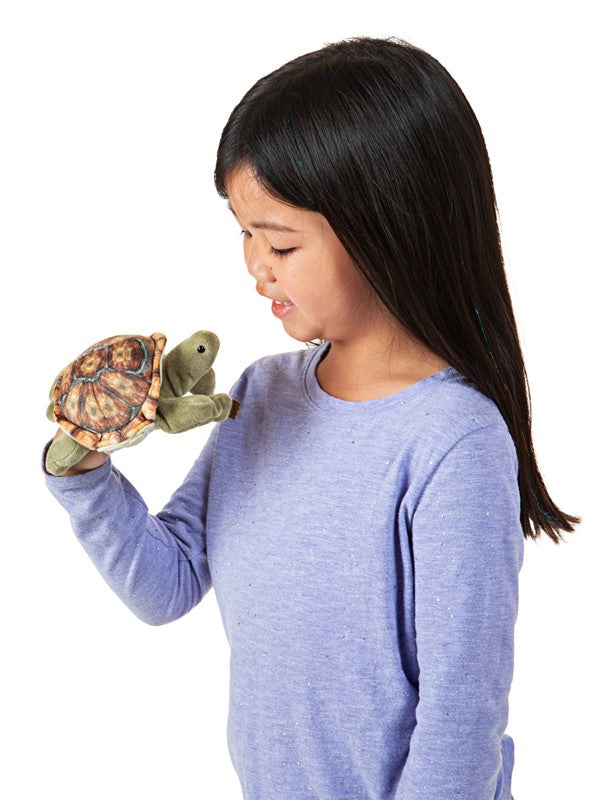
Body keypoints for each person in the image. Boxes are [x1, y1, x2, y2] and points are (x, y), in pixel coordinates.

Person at [41, 35, 581, 800]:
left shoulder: (453, 441)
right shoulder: (262, 396)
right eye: (245, 233)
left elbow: (461, 725)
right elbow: (165, 586)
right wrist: (85, 464)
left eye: (282, 243)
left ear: (387, 228)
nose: (255, 264)